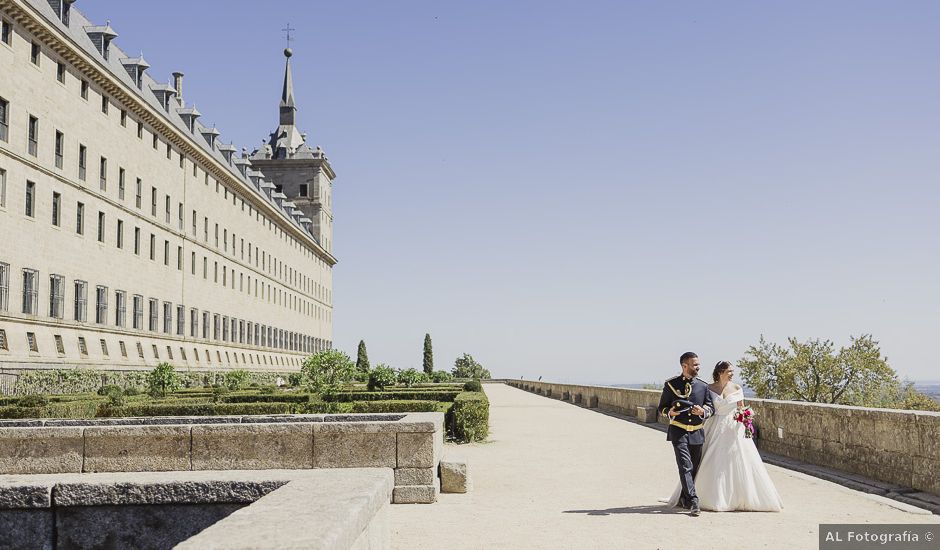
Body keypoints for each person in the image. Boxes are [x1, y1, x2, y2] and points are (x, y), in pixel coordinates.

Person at [667, 361, 783, 512]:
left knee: (739, 461)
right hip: (714, 426)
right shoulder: (708, 388)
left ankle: (739, 496)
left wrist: (746, 417)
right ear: (721, 372)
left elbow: (741, 407)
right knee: (710, 460)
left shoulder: (736, 388)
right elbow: (706, 406)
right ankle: (698, 496)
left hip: (734, 428)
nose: (732, 374)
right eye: (729, 371)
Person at [657, 352, 714, 516]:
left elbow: (711, 407)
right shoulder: (671, 385)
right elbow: (662, 408)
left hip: (696, 431)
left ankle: (684, 497)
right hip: (678, 431)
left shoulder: (703, 386)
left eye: (698, 364)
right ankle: (694, 501)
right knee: (685, 466)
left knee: (694, 468)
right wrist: (670, 413)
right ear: (684, 366)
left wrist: (703, 411)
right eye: (694, 364)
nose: (698, 367)